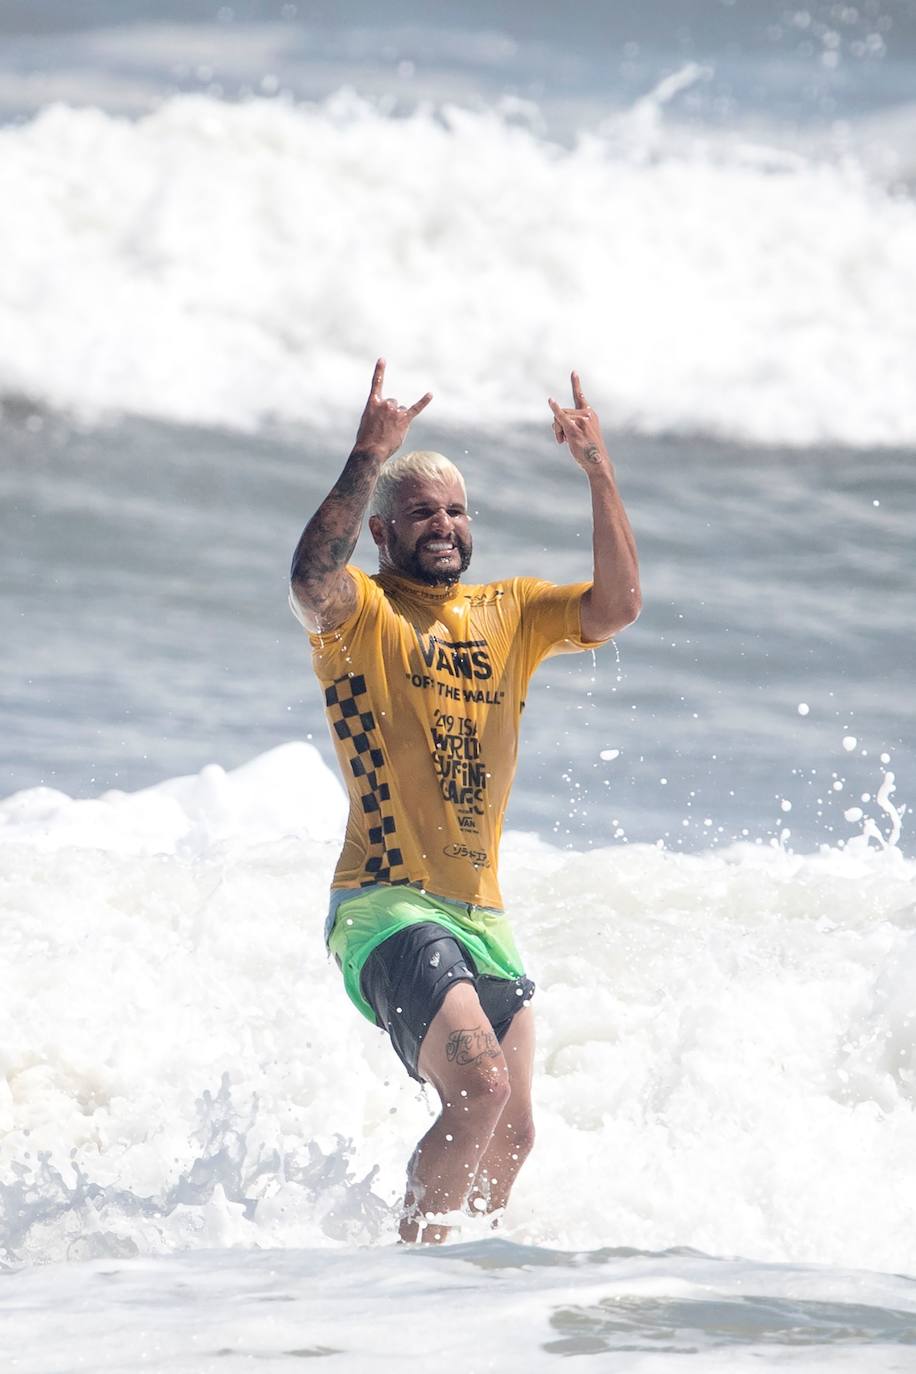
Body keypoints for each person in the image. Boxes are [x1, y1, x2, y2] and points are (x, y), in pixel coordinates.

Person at [289, 359, 640, 1242]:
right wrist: (368, 452)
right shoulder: (359, 614)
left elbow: (619, 605)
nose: (442, 525)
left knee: (514, 1130)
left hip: (481, 911)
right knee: (477, 1090)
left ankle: (462, 1300)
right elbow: (308, 577)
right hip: (384, 901)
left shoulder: (511, 611)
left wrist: (598, 469)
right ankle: (409, 1289)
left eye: (454, 511)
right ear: (383, 530)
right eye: (420, 513)